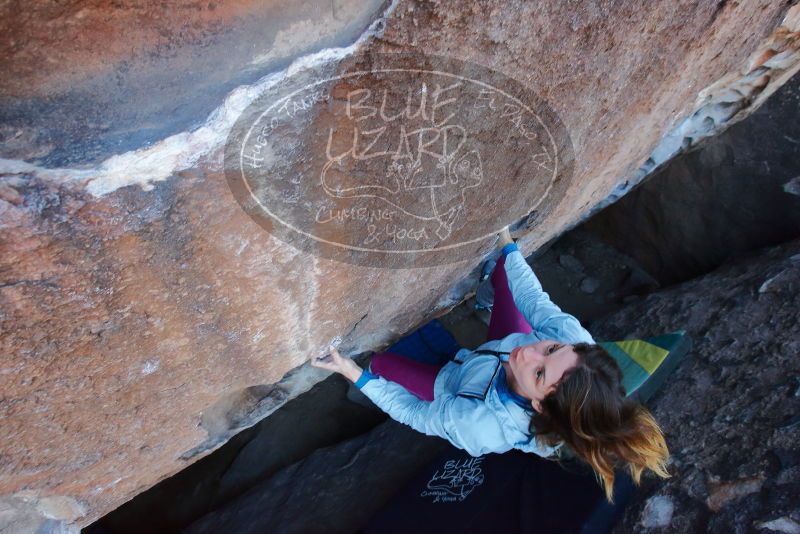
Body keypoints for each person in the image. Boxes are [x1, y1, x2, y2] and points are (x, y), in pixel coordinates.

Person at [311, 227, 670, 502]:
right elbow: (534, 299)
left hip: (453, 386)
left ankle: (374, 376)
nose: (531, 353)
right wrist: (506, 239)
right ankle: (485, 299)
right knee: (504, 269)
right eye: (551, 348)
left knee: (381, 364)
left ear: (540, 404)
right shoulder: (575, 343)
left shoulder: (483, 428)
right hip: (496, 349)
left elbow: (416, 414)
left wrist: (354, 374)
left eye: (540, 372)